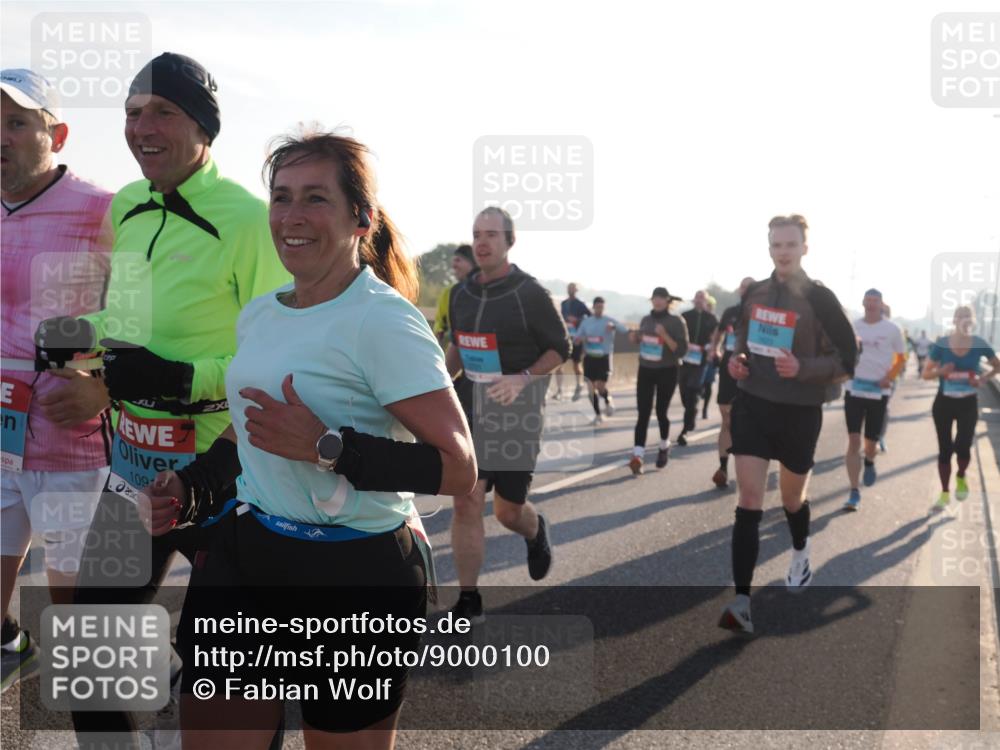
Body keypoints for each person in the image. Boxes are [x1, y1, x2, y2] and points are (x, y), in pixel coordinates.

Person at [143, 130, 477, 749]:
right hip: (251, 556)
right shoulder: (262, 312)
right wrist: (192, 486)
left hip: (356, 575)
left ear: (361, 219)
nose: (292, 217)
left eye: (315, 198)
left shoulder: (384, 320)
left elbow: (458, 469)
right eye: (281, 197)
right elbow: (253, 431)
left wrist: (330, 447)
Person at [33, 52, 290, 747]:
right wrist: (87, 370)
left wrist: (179, 380)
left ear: (202, 126)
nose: (141, 126)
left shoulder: (246, 219)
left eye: (162, 112)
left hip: (227, 474)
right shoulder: (128, 205)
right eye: (131, 112)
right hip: (135, 468)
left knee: (228, 674)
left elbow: (276, 356)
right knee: (89, 651)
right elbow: (129, 328)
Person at [1, 68, 113, 693]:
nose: (2, 137)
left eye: (17, 123)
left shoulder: (104, 211)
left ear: (58, 134)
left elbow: (141, 317)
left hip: (70, 433)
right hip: (1, 428)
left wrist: (106, 388)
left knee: (77, 611)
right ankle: (14, 648)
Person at [719, 215, 856, 636]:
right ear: (769, 247)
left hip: (799, 412)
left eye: (790, 245)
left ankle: (800, 550)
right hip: (754, 405)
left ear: (804, 248)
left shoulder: (821, 298)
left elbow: (848, 361)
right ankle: (741, 602)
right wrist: (736, 363)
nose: (783, 251)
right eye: (776, 244)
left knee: (792, 500)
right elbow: (740, 344)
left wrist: (802, 367)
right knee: (750, 500)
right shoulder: (754, 294)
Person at [447, 206, 568, 622]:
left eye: (491, 235)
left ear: (509, 241)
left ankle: (535, 530)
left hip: (516, 413)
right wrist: (436, 387)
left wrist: (522, 378)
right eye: (477, 233)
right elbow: (457, 348)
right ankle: (468, 598)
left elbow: (560, 348)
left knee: (507, 511)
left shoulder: (529, 293)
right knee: (466, 501)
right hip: (469, 407)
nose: (482, 242)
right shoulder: (460, 292)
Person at [923, 306, 999, 509]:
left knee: (963, 446)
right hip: (944, 403)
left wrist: (983, 379)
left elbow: (997, 365)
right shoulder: (942, 345)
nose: (964, 320)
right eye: (960, 316)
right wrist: (941, 371)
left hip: (968, 403)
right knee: (945, 449)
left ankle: (961, 476)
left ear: (972, 321)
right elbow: (926, 374)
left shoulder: (979, 344)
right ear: (955, 320)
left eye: (968, 316)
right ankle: (945, 492)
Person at [841, 289, 906, 511]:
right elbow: (841, 351)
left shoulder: (892, 329)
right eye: (867, 300)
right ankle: (854, 491)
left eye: (875, 301)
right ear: (863, 303)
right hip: (854, 389)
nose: (871, 304)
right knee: (853, 441)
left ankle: (869, 461)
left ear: (881, 304)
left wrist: (889, 377)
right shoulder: (853, 326)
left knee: (870, 444)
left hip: (878, 392)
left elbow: (901, 356)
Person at [628, 287, 688, 475]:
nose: (658, 301)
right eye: (655, 297)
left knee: (661, 411)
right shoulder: (646, 319)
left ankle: (664, 446)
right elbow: (641, 341)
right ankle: (638, 455)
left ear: (668, 300)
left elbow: (681, 351)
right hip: (645, 369)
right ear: (651, 300)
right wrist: (635, 338)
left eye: (662, 298)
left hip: (667, 371)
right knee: (643, 412)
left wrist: (664, 335)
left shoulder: (676, 321)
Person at [710, 277, 755, 488]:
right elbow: (718, 334)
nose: (745, 290)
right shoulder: (730, 312)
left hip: (752, 372)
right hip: (728, 370)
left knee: (750, 424)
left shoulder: (761, 313)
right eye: (743, 286)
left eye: (750, 287)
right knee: (727, 419)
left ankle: (750, 470)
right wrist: (714, 349)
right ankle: (723, 468)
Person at [574, 296, 628, 424]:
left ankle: (608, 400)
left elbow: (624, 330)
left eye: (601, 307)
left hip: (604, 357)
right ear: (593, 307)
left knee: (600, 386)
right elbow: (577, 338)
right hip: (590, 358)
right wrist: (580, 339)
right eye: (597, 307)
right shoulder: (586, 322)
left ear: (604, 308)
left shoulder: (609, 320)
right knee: (591, 388)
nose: (599, 310)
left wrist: (613, 328)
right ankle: (598, 415)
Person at [677, 290, 718, 446]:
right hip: (684, 360)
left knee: (693, 392)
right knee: (684, 392)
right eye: (697, 297)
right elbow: (678, 335)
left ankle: (685, 429)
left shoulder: (712, 319)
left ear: (706, 301)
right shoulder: (685, 316)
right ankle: (691, 412)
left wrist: (708, 349)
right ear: (694, 300)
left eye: (703, 298)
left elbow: (716, 338)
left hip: (700, 361)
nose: (700, 300)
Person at [433, 244, 476, 347]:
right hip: (453, 354)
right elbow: (439, 321)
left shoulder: (486, 290)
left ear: (472, 263)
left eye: (458, 260)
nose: (454, 265)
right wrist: (440, 330)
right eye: (454, 260)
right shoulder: (448, 292)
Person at [555, 282, 590, 401]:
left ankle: (578, 385)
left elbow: (590, 318)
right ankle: (559, 390)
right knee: (558, 364)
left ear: (576, 290)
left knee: (576, 364)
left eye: (572, 289)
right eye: (569, 288)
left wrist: (578, 320)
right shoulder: (564, 304)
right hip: (565, 338)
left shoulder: (580, 305)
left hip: (576, 338)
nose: (570, 290)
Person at [700, 295, 719, 419]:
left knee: (708, 384)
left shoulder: (714, 320)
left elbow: (719, 338)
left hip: (709, 355)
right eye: (707, 305)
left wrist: (714, 349)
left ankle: (705, 409)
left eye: (710, 306)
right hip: (696, 354)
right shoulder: (696, 317)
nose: (708, 307)